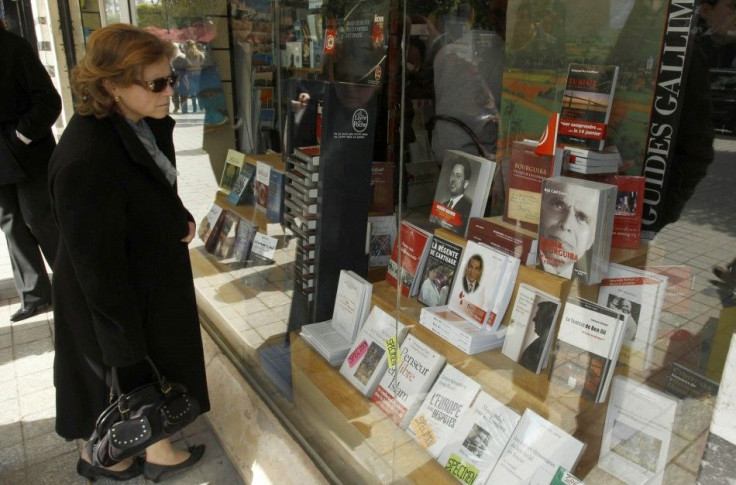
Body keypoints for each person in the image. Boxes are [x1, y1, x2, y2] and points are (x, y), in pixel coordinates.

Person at [47, 24, 209, 482]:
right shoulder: (87, 156)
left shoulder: (134, 126)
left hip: (135, 286)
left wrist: (176, 217)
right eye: (156, 83)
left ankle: (136, 454)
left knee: (129, 382)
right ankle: (113, 457)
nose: (170, 91)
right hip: (114, 298)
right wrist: (122, 342)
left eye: (171, 78)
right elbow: (96, 265)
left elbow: (151, 189)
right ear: (111, 86)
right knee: (122, 381)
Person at [0, 19, 61, 322]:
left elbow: (49, 100)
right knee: (9, 221)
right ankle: (35, 295)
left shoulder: (14, 47)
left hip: (28, 149)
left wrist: (21, 136)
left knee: (40, 218)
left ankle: (71, 283)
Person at [538, 179, 598, 279]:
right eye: (558, 205)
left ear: (591, 238)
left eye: (582, 218)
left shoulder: (589, 282)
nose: (566, 225)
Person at [518, 301, 558, 372]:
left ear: (546, 319)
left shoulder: (539, 346)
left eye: (538, 315)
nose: (534, 319)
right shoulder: (538, 344)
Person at [443, 157, 473, 235]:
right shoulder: (443, 205)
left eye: (458, 176)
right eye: (452, 174)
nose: (453, 179)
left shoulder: (468, 209)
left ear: (465, 184)